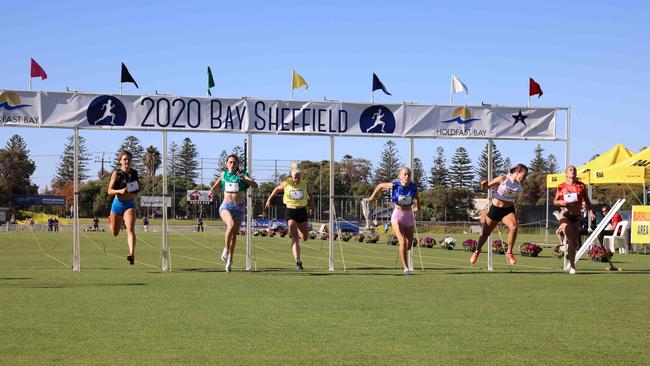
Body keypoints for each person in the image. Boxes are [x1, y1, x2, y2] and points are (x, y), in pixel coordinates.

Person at [470, 164, 529, 267]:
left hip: (508, 210)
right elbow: (486, 187)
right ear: (517, 171)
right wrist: (483, 184)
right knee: (485, 234)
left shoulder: (519, 186)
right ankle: (477, 251)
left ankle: (509, 253)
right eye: (523, 175)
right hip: (495, 209)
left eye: (525, 176)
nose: (524, 178)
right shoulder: (503, 179)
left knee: (514, 227)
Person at [208, 154, 258, 272]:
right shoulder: (224, 174)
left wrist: (243, 178)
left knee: (234, 235)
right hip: (226, 206)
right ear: (226, 163)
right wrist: (211, 191)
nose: (232, 164)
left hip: (239, 208)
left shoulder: (242, 174)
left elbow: (255, 185)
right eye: (230, 162)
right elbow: (219, 182)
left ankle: (230, 260)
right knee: (230, 226)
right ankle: (226, 249)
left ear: (237, 165)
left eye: (234, 163)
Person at [265, 163, 316, 271]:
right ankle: (298, 261)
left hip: (302, 211)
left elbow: (310, 195)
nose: (296, 180)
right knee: (295, 238)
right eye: (295, 178)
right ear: (291, 177)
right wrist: (269, 199)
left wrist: (313, 207)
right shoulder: (286, 183)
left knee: (305, 237)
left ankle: (298, 228)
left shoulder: (304, 184)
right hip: (290, 211)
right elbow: (276, 190)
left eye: (298, 178)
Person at [368, 167, 420, 275]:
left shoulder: (413, 187)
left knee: (409, 244)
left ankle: (403, 252)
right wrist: (372, 197)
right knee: (402, 242)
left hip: (408, 216)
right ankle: (406, 268)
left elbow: (417, 198)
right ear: (400, 176)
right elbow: (380, 186)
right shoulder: (395, 185)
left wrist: (417, 207)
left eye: (408, 175)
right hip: (397, 215)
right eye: (404, 174)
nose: (407, 177)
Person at [553, 165, 595, 274]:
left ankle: (571, 264)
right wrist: (560, 202)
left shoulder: (581, 186)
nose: (573, 171)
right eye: (570, 170)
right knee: (571, 239)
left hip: (576, 216)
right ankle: (572, 266)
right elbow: (555, 201)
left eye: (574, 170)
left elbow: (587, 201)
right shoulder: (561, 186)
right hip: (565, 215)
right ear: (566, 173)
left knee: (574, 243)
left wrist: (591, 212)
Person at [107, 150, 141, 265]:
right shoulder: (116, 173)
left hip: (129, 204)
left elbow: (136, 188)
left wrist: (130, 189)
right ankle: (112, 219)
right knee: (114, 233)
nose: (127, 161)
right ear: (120, 161)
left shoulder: (134, 173)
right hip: (117, 204)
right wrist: (120, 190)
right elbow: (109, 191)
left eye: (129, 159)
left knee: (130, 229)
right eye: (125, 159)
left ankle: (131, 254)